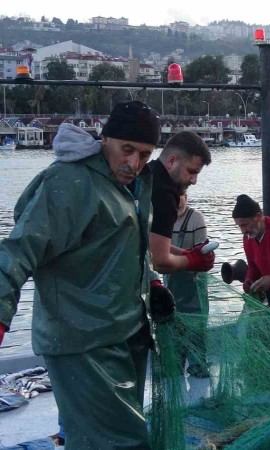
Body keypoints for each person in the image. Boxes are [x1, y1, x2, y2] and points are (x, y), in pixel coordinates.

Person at [0, 101, 175, 448]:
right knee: (120, 442)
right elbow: (18, 250)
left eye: (144, 154)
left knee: (107, 436)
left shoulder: (135, 184)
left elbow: (127, 245)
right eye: (127, 149)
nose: (134, 163)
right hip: (81, 338)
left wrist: (152, 282)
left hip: (125, 330)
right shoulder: (70, 182)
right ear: (105, 138)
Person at [148, 131, 215, 274]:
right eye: (192, 172)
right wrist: (193, 261)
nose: (194, 180)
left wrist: (186, 254)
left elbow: (153, 244)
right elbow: (159, 261)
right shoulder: (165, 195)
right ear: (172, 161)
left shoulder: (148, 172)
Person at [167, 193, 210, 378]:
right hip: (171, 280)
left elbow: (200, 254)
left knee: (196, 326)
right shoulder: (162, 220)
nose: (177, 202)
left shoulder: (196, 218)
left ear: (186, 197)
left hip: (194, 281)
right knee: (173, 324)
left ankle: (198, 366)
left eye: (180, 197)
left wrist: (183, 257)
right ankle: (175, 365)